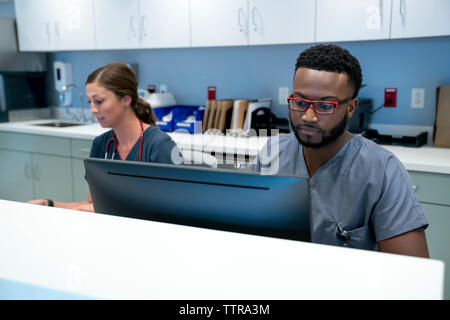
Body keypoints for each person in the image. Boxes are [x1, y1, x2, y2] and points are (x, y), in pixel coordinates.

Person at [250, 44, 429, 258]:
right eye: (299, 102)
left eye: (325, 106)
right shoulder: (272, 153)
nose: (308, 116)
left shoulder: (382, 171)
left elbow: (411, 271)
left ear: (351, 108)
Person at [28, 62, 182, 212]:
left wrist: (109, 210)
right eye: (90, 102)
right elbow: (91, 204)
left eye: (99, 101)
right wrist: (48, 204)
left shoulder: (159, 145)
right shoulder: (101, 145)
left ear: (126, 99)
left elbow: (176, 209)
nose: (92, 109)